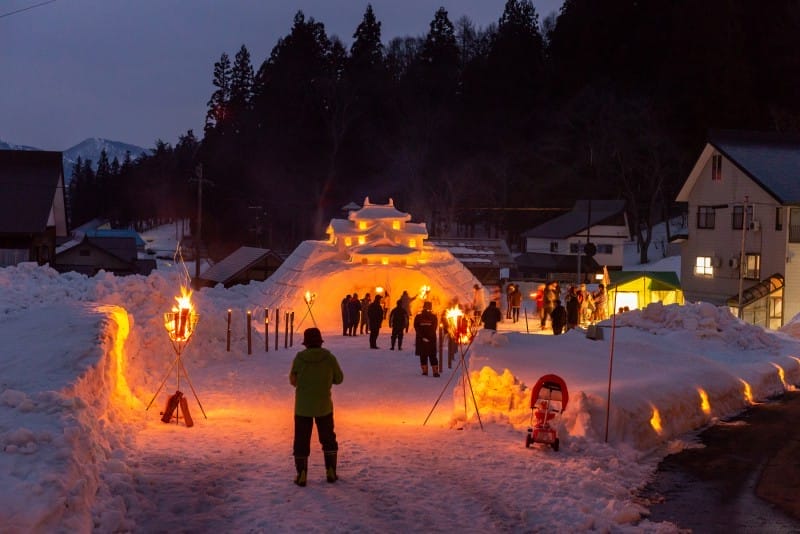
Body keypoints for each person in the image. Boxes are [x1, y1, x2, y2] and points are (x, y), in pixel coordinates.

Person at [289, 327, 344, 486]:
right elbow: (339, 378)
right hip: (323, 405)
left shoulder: (299, 358)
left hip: (303, 407)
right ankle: (331, 470)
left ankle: (302, 473)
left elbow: (293, 380)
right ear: (320, 342)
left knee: (301, 440)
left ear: (305, 343)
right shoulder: (329, 358)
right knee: (328, 438)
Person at [414, 301, 440, 377]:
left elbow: (416, 327)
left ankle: (425, 371)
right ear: (431, 308)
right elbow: (434, 328)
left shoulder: (418, 317)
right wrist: (428, 337)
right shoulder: (434, 317)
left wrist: (422, 337)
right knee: (432, 355)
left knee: (423, 355)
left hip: (421, 340)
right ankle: (435, 372)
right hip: (431, 339)